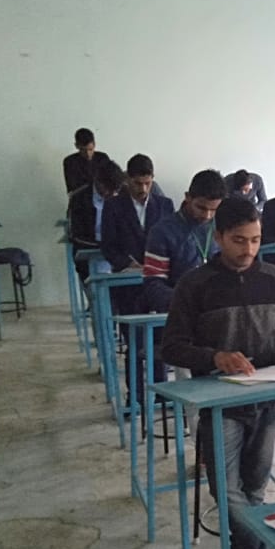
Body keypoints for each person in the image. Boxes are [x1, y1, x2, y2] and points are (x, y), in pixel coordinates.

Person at [160, 197, 275, 549]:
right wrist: (215, 357)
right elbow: (172, 347)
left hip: (266, 398)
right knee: (226, 490)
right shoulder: (195, 285)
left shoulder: (272, 278)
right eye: (239, 240)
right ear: (218, 236)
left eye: (255, 240)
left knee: (254, 488)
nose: (248, 249)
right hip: (219, 403)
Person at [101, 154, 174, 401]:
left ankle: (163, 393)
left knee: (162, 340)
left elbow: (171, 241)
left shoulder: (164, 205)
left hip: (159, 283)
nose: (143, 189)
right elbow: (108, 247)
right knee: (134, 341)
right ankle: (137, 397)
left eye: (147, 183)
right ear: (127, 180)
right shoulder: (113, 206)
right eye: (137, 183)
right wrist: (127, 263)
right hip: (128, 285)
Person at [141, 169, 224, 313]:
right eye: (201, 208)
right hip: (179, 312)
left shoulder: (223, 227)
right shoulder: (162, 232)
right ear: (187, 197)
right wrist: (186, 301)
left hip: (219, 310)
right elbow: (153, 283)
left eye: (214, 209)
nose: (207, 215)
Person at [67, 159, 125, 283]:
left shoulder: (124, 193)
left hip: (119, 255)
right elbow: (75, 235)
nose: (112, 194)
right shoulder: (79, 198)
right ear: (97, 180)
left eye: (115, 191)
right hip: (90, 254)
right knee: (98, 289)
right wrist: (104, 246)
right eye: (108, 189)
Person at [63, 127, 113, 195]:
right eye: (83, 150)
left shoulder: (102, 158)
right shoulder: (70, 162)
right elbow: (72, 189)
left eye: (90, 149)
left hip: (103, 197)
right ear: (76, 146)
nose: (88, 154)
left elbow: (111, 180)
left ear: (94, 144)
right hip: (80, 198)